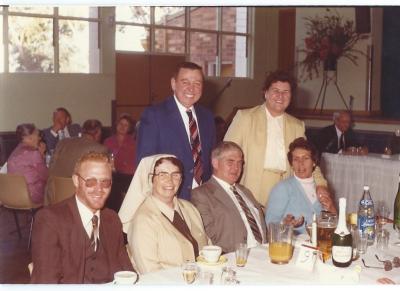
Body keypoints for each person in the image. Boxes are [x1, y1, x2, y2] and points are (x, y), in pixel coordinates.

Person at [224, 70, 328, 206]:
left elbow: (307, 159)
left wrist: (321, 184)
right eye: (276, 91)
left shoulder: (297, 125)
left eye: (286, 92)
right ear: (266, 93)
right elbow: (225, 156)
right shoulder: (245, 117)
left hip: (285, 190)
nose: (281, 96)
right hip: (251, 190)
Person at [31, 151, 134, 283]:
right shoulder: (50, 220)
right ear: (76, 181)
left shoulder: (112, 219)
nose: (99, 189)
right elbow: (46, 281)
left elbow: (126, 270)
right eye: (91, 182)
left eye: (105, 182)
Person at [136, 62, 216, 200]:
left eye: (197, 83)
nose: (191, 88)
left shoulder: (207, 117)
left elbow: (211, 160)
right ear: (173, 84)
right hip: (170, 198)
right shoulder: (154, 115)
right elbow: (145, 164)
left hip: (204, 198)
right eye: (185, 82)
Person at [119, 154, 208, 274]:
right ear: (150, 179)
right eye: (162, 174)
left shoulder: (190, 209)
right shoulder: (143, 220)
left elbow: (208, 249)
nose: (170, 181)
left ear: (181, 179)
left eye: (175, 175)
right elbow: (150, 272)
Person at [191, 141, 267, 253]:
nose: (236, 168)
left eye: (239, 163)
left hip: (263, 253)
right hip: (233, 259)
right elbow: (207, 237)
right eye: (230, 162)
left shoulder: (245, 191)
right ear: (215, 163)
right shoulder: (201, 194)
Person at [265, 137, 336, 234]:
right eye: (296, 159)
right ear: (291, 164)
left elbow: (335, 225)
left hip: (320, 245)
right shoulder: (283, 188)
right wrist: (285, 225)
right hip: (295, 247)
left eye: (305, 158)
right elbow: (269, 226)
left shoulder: (321, 188)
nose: (300, 163)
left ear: (314, 162)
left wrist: (331, 207)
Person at [45, 119, 108, 204]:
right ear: (98, 133)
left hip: (53, 194)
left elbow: (50, 169)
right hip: (79, 198)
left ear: (83, 131)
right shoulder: (100, 149)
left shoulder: (63, 143)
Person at [8, 124, 48, 204]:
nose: (39, 138)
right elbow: (46, 176)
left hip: (12, 195)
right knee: (57, 189)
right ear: (30, 137)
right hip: (30, 197)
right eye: (37, 135)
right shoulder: (33, 153)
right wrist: (41, 155)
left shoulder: (15, 151)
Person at [104, 114, 136, 211]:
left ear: (129, 128)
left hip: (128, 176)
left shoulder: (134, 142)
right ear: (116, 124)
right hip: (113, 174)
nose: (122, 127)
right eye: (120, 124)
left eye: (126, 125)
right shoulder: (108, 141)